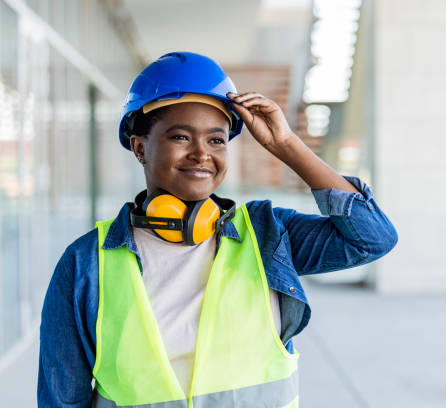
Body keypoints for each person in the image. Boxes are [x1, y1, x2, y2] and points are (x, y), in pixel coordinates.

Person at [38, 52, 397, 408]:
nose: (201, 154)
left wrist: (285, 145)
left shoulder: (266, 236)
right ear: (139, 147)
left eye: (216, 140)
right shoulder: (86, 263)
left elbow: (372, 237)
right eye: (180, 137)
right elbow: (62, 398)